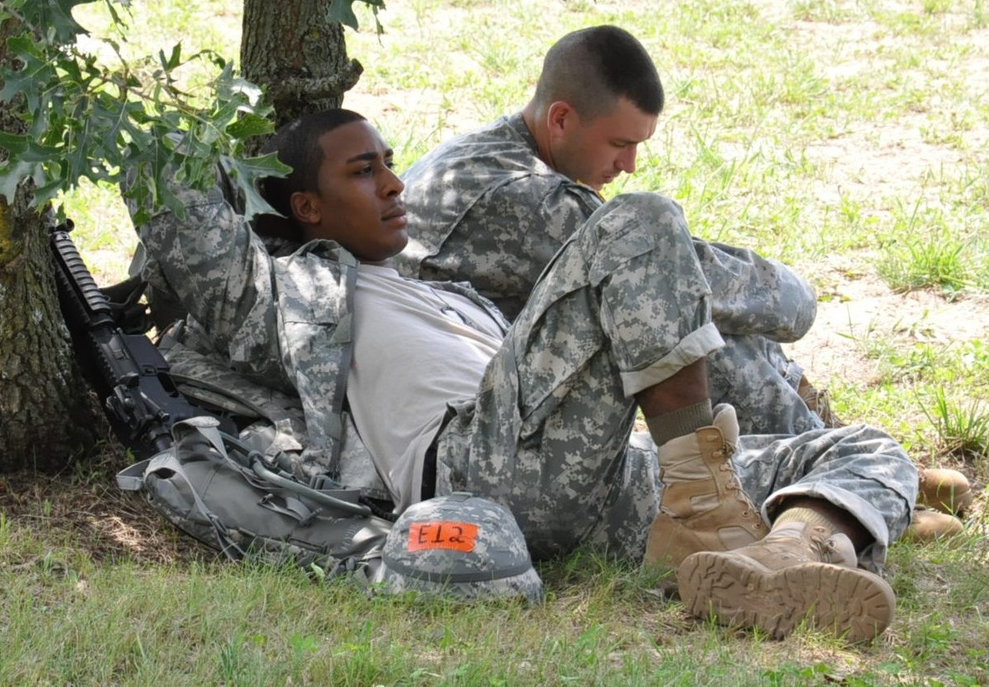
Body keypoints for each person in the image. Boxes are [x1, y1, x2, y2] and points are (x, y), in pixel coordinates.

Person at [126, 107, 917, 643]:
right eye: (364, 173)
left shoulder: (440, 286)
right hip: (476, 472)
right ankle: (710, 508)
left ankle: (779, 559)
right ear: (308, 208)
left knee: (868, 446)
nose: (395, 185)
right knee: (639, 219)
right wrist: (151, 103)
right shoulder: (285, 298)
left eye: (391, 164)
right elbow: (171, 195)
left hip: (589, 475)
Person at [396, 25, 971, 540]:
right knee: (668, 305)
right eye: (621, 144)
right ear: (562, 118)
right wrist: (795, 296)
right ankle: (829, 469)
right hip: (494, 427)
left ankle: (830, 447)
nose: (629, 166)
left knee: (690, 310)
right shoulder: (509, 196)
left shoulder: (516, 158)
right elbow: (672, 275)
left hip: (520, 380)